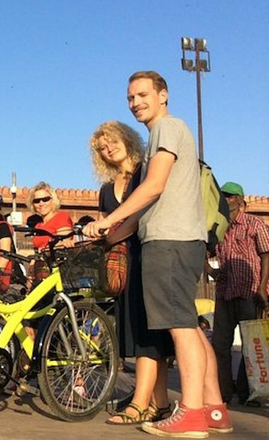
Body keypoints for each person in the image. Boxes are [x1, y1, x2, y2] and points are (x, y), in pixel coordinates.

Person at [84, 71, 231, 437]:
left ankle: (193, 413)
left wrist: (108, 220)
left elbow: (154, 185)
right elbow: (145, 206)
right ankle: (214, 409)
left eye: (143, 95)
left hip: (169, 241)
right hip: (179, 239)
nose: (136, 103)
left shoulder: (167, 128)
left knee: (181, 329)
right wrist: (109, 232)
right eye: (131, 97)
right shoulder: (159, 137)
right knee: (192, 331)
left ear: (163, 95)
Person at [89, 121, 174, 425]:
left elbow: (139, 216)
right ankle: (159, 403)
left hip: (146, 256)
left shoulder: (145, 172)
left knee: (149, 336)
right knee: (141, 334)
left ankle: (139, 403)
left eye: (111, 142)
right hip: (122, 266)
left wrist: (111, 234)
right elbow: (106, 223)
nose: (108, 149)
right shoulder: (106, 188)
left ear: (126, 139)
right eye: (102, 148)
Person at [210, 181, 269, 407]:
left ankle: (247, 392)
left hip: (249, 291)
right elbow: (208, 253)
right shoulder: (219, 228)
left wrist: (263, 286)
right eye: (223, 196)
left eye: (229, 196)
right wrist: (210, 271)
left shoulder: (253, 224)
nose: (225, 200)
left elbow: (266, 254)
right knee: (219, 345)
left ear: (240, 201)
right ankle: (224, 392)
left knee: (250, 346)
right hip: (225, 292)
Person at [26, 182, 74, 251]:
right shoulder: (38, 226)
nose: (41, 203)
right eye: (37, 201)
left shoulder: (61, 218)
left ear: (53, 200)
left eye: (45, 199)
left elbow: (63, 243)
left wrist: (44, 250)